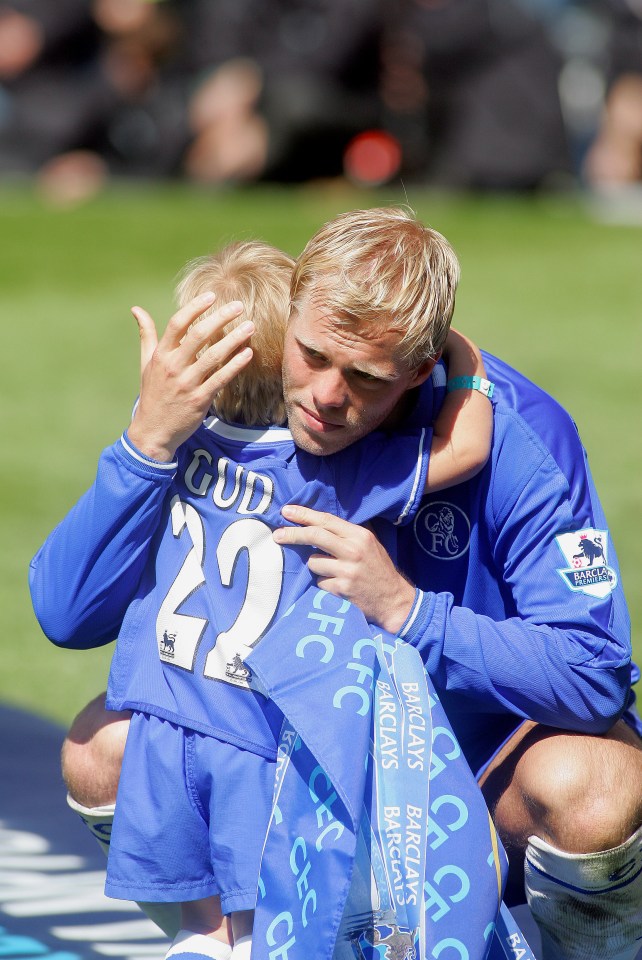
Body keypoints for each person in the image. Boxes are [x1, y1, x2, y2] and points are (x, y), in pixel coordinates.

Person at [31, 207, 642, 960]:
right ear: (289, 317)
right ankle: (229, 941)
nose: (323, 395)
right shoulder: (235, 386)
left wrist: (411, 612)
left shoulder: (518, 435)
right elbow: (64, 613)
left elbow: (595, 677)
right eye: (312, 354)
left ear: (420, 373)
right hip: (304, 763)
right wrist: (145, 445)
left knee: (595, 788)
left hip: (478, 782)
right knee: (104, 746)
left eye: (364, 377)